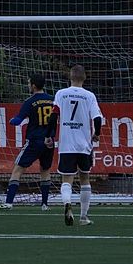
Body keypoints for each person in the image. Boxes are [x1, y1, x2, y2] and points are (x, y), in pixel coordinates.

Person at [46, 64, 103, 226]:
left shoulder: (61, 94)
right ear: (84, 78)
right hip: (83, 145)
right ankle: (83, 217)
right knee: (85, 178)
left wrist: (49, 136)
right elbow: (97, 119)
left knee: (67, 180)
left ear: (70, 77)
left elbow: (53, 116)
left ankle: (67, 204)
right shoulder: (89, 96)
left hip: (66, 145)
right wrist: (96, 134)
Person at [3, 74, 54, 211]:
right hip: (49, 141)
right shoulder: (52, 100)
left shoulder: (30, 102)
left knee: (17, 170)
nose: (28, 85)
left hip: (34, 141)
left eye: (28, 83)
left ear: (33, 86)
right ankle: (44, 204)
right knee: (45, 170)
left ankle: (8, 202)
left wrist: (11, 120)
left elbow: (18, 121)